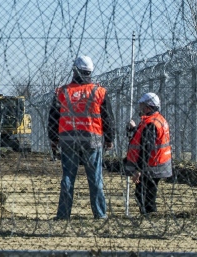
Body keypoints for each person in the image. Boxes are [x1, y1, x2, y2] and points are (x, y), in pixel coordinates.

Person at [48, 55, 115, 220]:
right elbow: (108, 118)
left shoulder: (62, 92)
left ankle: (63, 215)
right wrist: (109, 139)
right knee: (95, 178)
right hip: (92, 138)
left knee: (68, 177)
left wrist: (53, 138)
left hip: (68, 138)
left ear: (74, 71)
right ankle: (100, 214)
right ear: (90, 72)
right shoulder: (99, 91)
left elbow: (53, 118)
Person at [124, 92, 172, 215]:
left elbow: (146, 148)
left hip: (151, 166)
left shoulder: (151, 123)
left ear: (148, 107)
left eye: (142, 105)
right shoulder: (157, 120)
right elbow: (146, 139)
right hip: (158, 163)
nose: (140, 108)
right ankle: (149, 214)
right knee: (148, 193)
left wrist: (138, 170)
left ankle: (149, 215)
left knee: (144, 195)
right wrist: (134, 129)